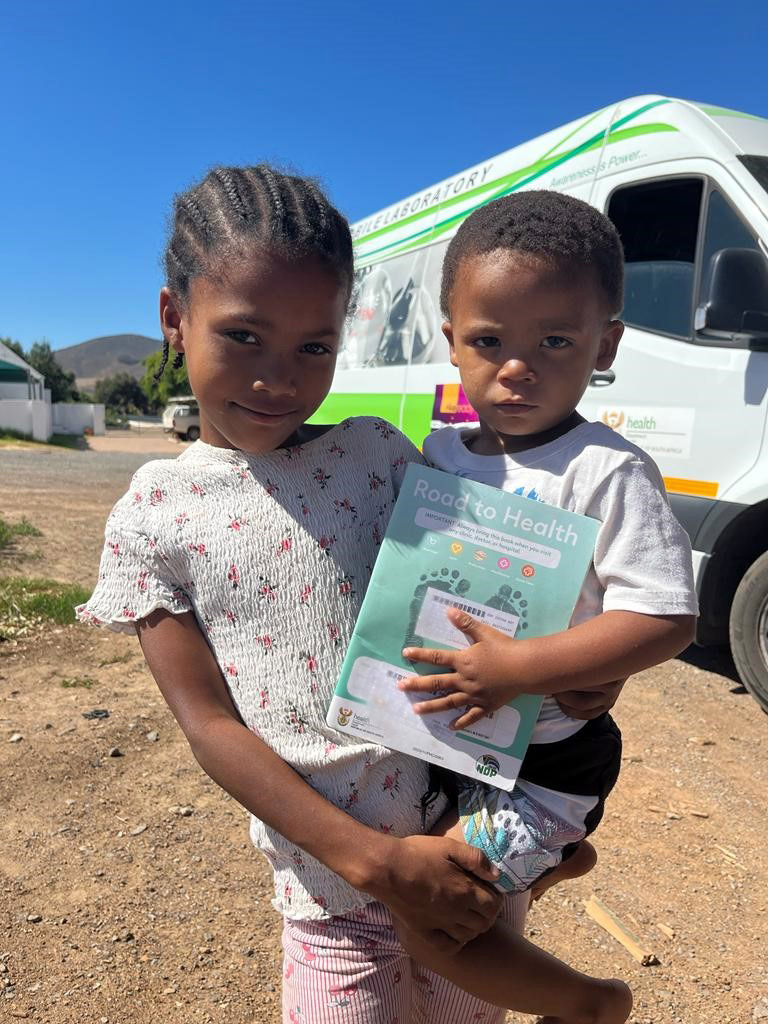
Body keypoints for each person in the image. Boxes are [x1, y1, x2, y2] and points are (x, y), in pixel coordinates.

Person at [76, 166, 634, 1024]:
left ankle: (545, 872)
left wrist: (577, 668)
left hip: (453, 851)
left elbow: (503, 587)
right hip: (328, 884)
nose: (278, 379)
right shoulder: (154, 515)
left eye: (314, 346)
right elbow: (211, 726)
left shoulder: (381, 456)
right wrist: (372, 862)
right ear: (173, 319)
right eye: (243, 337)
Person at [394, 190, 698, 1014]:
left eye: (554, 341)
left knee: (434, 917)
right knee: (442, 883)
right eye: (489, 341)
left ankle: (592, 1003)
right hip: (447, 745)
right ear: (451, 341)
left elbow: (666, 615)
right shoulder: (441, 455)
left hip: (547, 766)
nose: (517, 366)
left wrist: (520, 669)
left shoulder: (606, 471)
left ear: (607, 345)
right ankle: (559, 858)